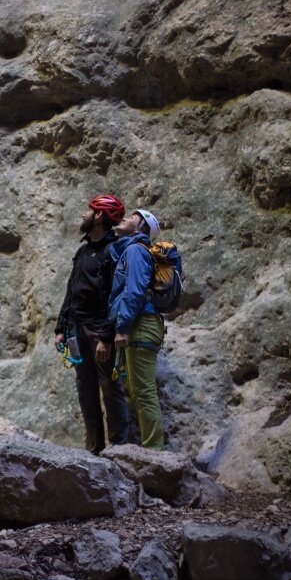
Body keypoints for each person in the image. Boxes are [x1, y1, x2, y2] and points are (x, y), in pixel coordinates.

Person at [54, 194, 132, 453]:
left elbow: (116, 295)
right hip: (77, 329)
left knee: (111, 389)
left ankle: (120, 450)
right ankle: (94, 450)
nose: (84, 215)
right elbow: (71, 290)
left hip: (99, 332)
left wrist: (107, 336)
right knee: (85, 390)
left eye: (89, 210)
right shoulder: (83, 251)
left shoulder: (113, 252)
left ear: (99, 216)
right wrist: (60, 328)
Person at [109, 207, 167, 449]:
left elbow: (134, 291)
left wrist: (122, 327)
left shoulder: (134, 250)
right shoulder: (133, 250)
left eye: (133, 217)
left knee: (143, 391)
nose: (126, 218)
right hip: (142, 324)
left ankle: (154, 452)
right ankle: (151, 449)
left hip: (141, 323)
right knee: (137, 390)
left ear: (142, 227)